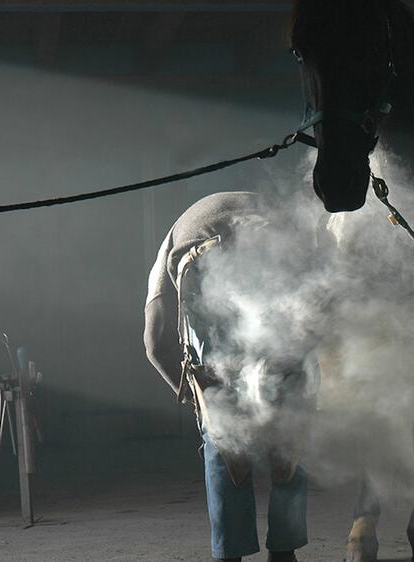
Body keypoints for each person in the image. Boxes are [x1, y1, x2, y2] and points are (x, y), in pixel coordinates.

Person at [144, 191, 312, 562]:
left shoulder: (167, 250)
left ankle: (230, 554)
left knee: (223, 426)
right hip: (277, 253)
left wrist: (198, 401)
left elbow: (154, 346)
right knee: (288, 421)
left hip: (208, 261)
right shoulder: (269, 214)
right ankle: (284, 553)